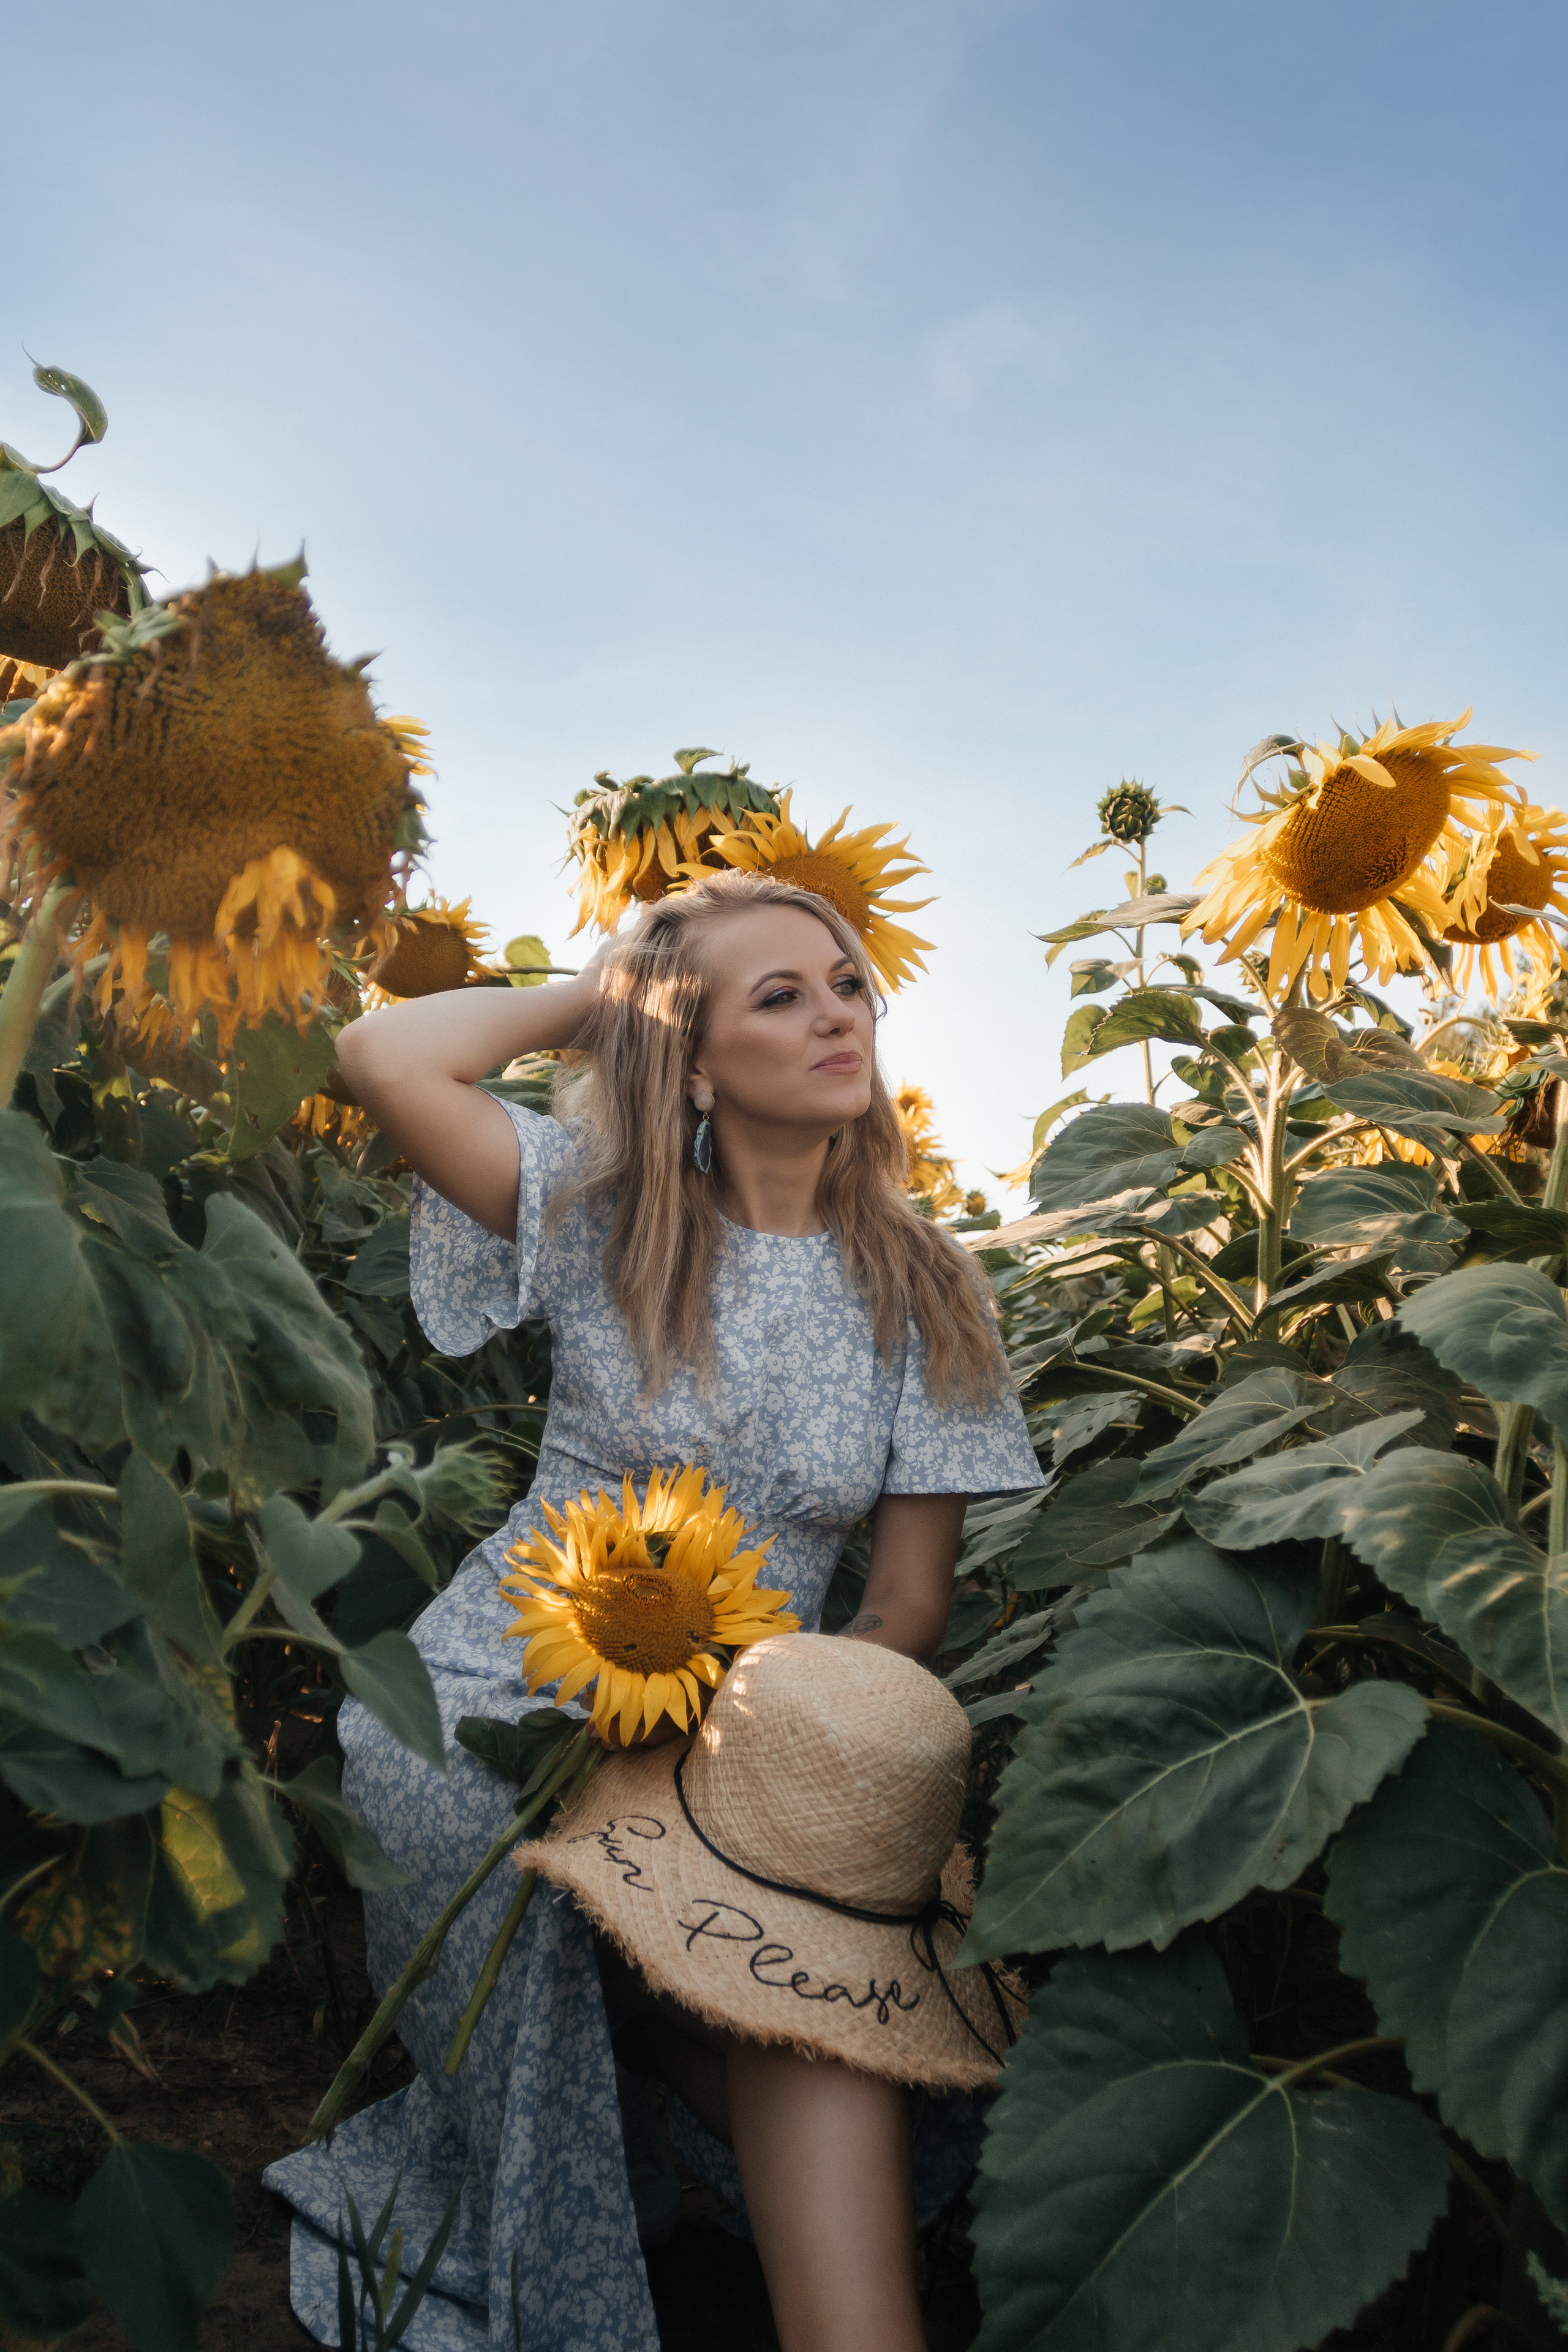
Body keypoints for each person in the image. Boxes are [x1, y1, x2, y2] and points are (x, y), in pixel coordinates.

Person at [265, 870, 1044, 2352]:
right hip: (509, 1684)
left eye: (845, 981)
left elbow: (904, 1599)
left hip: (759, 1725)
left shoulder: (928, 1285)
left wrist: (768, 1741)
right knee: (531, 1885)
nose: (836, 1012)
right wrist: (622, 989)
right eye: (779, 994)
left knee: (790, 1975)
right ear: (690, 1057)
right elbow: (382, 1057)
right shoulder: (601, 1206)